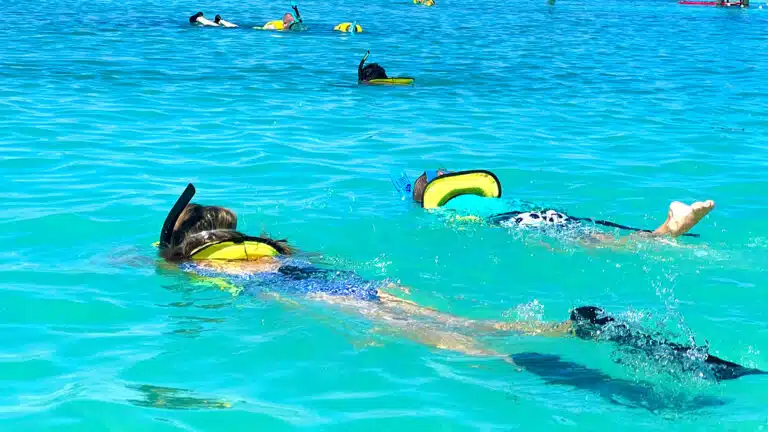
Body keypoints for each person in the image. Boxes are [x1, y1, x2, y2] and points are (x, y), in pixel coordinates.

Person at [156, 183, 759, 383]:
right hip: (345, 282)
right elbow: (310, 264)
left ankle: (562, 339)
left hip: (313, 294)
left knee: (455, 343)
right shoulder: (271, 246)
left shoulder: (194, 260)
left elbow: (174, 270)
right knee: (456, 325)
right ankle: (568, 329)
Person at [410, 169, 715, 243]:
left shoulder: (445, 210)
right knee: (591, 230)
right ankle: (663, 229)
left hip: (519, 221)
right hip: (539, 211)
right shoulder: (482, 196)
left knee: (595, 243)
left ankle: (665, 231)